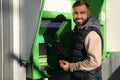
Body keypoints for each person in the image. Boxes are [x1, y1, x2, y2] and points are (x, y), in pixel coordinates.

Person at [59, 0, 103, 80]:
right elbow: (78, 52)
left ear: (88, 14)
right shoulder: (78, 30)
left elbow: (94, 62)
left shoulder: (91, 33)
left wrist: (70, 66)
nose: (78, 16)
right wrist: (62, 50)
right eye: (76, 13)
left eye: (82, 13)